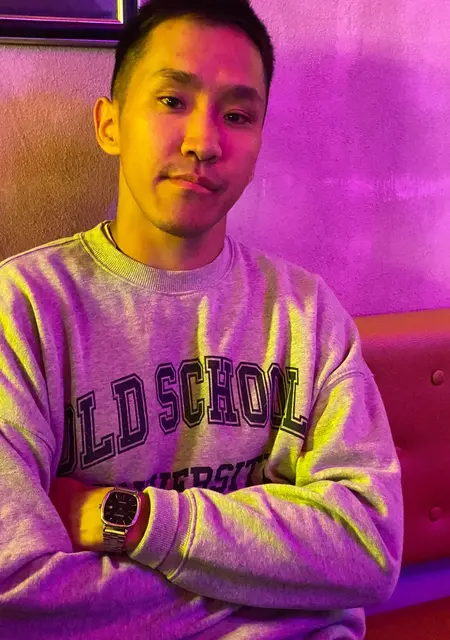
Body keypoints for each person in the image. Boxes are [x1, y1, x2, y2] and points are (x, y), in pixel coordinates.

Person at [0, 0, 404, 638]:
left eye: (237, 115)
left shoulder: (307, 313)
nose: (204, 143)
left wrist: (128, 519)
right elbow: (16, 588)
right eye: (171, 101)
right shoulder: (23, 310)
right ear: (110, 124)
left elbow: (368, 549)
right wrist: (286, 588)